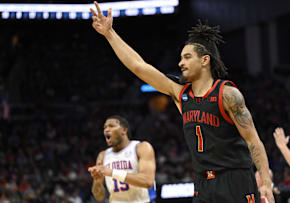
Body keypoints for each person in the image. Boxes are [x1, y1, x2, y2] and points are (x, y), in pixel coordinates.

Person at [90, 2, 274, 202]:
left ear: (204, 60)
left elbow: (253, 141)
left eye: (187, 57)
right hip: (203, 182)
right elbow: (139, 66)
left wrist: (265, 184)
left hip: (235, 178)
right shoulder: (180, 94)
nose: (180, 63)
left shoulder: (227, 94)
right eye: (180, 58)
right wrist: (110, 34)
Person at [88, 115, 156, 203]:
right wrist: (97, 182)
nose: (106, 129)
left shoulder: (141, 147)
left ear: (124, 130)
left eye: (111, 126)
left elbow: (147, 181)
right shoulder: (103, 155)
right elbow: (99, 197)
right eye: (105, 127)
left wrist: (112, 172)